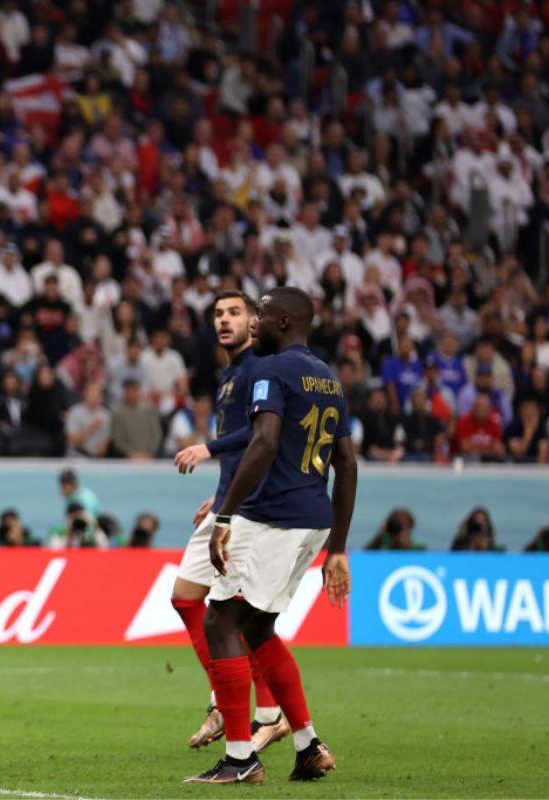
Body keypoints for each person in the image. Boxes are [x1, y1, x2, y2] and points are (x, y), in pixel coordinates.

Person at [187, 287, 356, 784]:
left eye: (259, 314)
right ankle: (307, 745)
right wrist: (338, 547)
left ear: (282, 321)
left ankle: (241, 759)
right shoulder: (327, 378)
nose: (253, 324)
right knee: (258, 630)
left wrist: (224, 516)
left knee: (220, 622)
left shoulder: (270, 370)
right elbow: (345, 463)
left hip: (274, 517)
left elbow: (263, 442)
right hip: (313, 518)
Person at [169, 291, 285, 752]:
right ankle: (226, 699)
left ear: (254, 321)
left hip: (250, 512)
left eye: (234, 312)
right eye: (218, 314)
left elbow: (262, 435)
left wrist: (207, 449)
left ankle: (266, 715)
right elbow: (243, 447)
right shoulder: (232, 373)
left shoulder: (260, 366)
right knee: (186, 598)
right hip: (227, 502)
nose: (224, 320)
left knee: (241, 618)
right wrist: (217, 491)